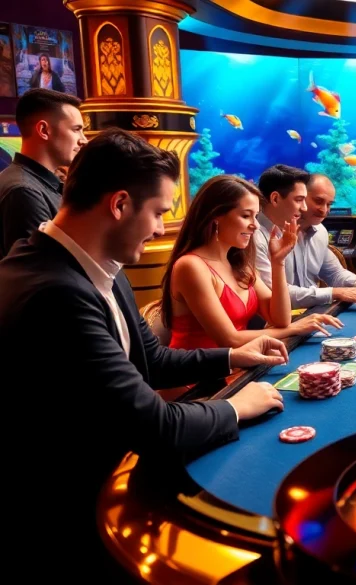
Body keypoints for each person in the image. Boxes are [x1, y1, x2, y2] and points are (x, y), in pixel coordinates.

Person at [0, 128, 288, 581]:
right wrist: (235, 406)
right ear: (118, 205)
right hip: (75, 514)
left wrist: (233, 359)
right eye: (157, 212)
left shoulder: (99, 267)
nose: (160, 229)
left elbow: (151, 360)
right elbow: (154, 425)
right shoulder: (55, 291)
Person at [163, 175, 342, 350]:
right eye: (246, 216)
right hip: (200, 375)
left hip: (239, 366)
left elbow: (280, 319)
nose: (255, 225)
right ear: (215, 216)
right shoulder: (191, 266)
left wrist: (278, 261)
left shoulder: (239, 263)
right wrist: (295, 328)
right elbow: (229, 339)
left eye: (256, 216)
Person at [0, 88, 86, 257]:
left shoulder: (34, 184)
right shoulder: (24, 191)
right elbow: (42, 272)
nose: (84, 139)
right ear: (44, 131)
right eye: (76, 129)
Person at [288, 173, 356, 309]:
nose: (324, 210)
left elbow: (335, 274)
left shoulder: (320, 231)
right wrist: (334, 293)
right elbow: (274, 294)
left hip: (311, 313)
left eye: (329, 204)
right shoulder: (270, 235)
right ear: (300, 198)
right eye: (318, 201)